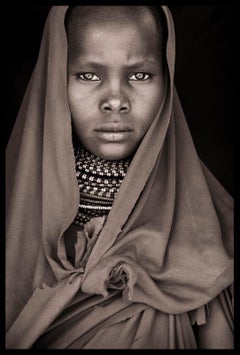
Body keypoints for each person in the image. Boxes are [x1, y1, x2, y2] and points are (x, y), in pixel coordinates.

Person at [5, 5, 233, 349]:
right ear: (56, 78)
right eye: (89, 75)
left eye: (140, 75)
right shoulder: (13, 220)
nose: (115, 100)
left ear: (167, 82)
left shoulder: (208, 229)